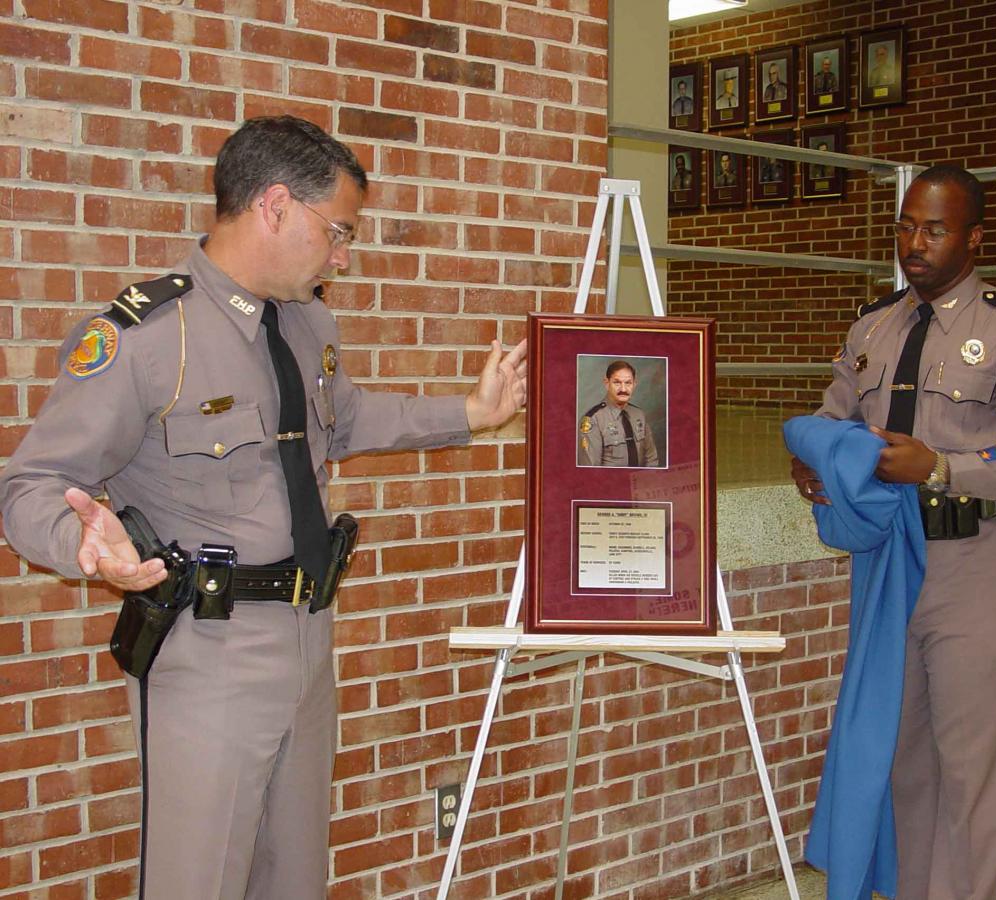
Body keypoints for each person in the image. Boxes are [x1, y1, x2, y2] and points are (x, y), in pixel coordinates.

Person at [0, 115, 528, 900]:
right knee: (197, 883)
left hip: (308, 639)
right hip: (208, 654)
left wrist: (470, 414)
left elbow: (344, 420)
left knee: (294, 880)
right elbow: (29, 484)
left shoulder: (308, 320)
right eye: (338, 232)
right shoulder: (150, 337)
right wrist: (81, 542)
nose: (342, 256)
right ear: (275, 206)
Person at [791, 164, 996, 899]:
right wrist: (815, 464)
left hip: (975, 561)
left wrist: (944, 468)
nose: (915, 243)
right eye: (906, 227)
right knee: (903, 752)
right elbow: (832, 418)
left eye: (936, 229)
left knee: (971, 762)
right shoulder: (873, 326)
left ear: (974, 238)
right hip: (891, 563)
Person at [577, 361, 660, 467]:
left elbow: (651, 459)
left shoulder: (639, 414)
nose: (623, 389)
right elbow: (591, 470)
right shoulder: (592, 420)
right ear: (607, 383)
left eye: (628, 383)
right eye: (617, 383)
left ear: (634, 384)